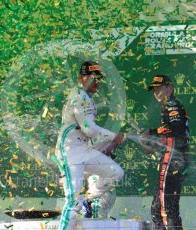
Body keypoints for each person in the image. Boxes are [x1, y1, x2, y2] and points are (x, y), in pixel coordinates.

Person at [54, 61, 125, 230]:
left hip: (84, 151)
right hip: (70, 153)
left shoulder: (85, 96)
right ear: (82, 78)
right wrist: (114, 136)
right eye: (94, 78)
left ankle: (87, 198)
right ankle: (78, 202)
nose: (97, 82)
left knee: (116, 173)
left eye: (99, 79)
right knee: (72, 202)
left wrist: (109, 141)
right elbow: (89, 129)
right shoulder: (79, 97)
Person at [142, 75, 189, 230]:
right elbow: (173, 131)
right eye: (154, 90)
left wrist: (152, 133)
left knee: (161, 207)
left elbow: (174, 129)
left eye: (159, 88)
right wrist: (152, 134)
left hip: (173, 157)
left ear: (170, 88)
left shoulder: (172, 105)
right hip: (177, 157)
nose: (156, 92)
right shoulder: (171, 105)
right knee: (170, 206)